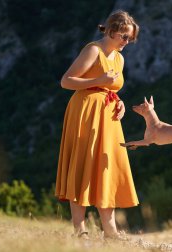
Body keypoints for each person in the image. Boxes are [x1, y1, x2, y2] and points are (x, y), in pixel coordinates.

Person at [55, 10, 139, 239]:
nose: (127, 42)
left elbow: (110, 88)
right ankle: (79, 230)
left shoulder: (119, 58)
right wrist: (98, 81)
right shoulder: (93, 50)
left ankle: (110, 230)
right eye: (124, 36)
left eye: (130, 38)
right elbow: (66, 81)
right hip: (84, 113)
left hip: (108, 118)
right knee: (81, 165)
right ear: (111, 31)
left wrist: (120, 102)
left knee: (106, 167)